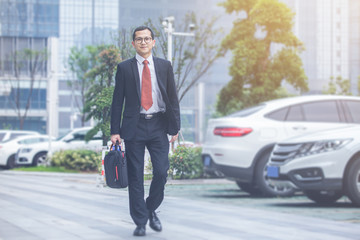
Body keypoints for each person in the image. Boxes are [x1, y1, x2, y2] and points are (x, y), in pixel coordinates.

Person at [110, 26, 180, 237]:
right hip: (134, 127)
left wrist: (175, 127)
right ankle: (140, 222)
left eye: (147, 38)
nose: (143, 42)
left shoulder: (164, 66)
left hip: (158, 124)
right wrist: (115, 130)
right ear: (133, 43)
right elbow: (117, 101)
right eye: (139, 39)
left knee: (161, 172)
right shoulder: (124, 68)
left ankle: (149, 209)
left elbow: (172, 98)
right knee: (136, 177)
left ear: (153, 42)